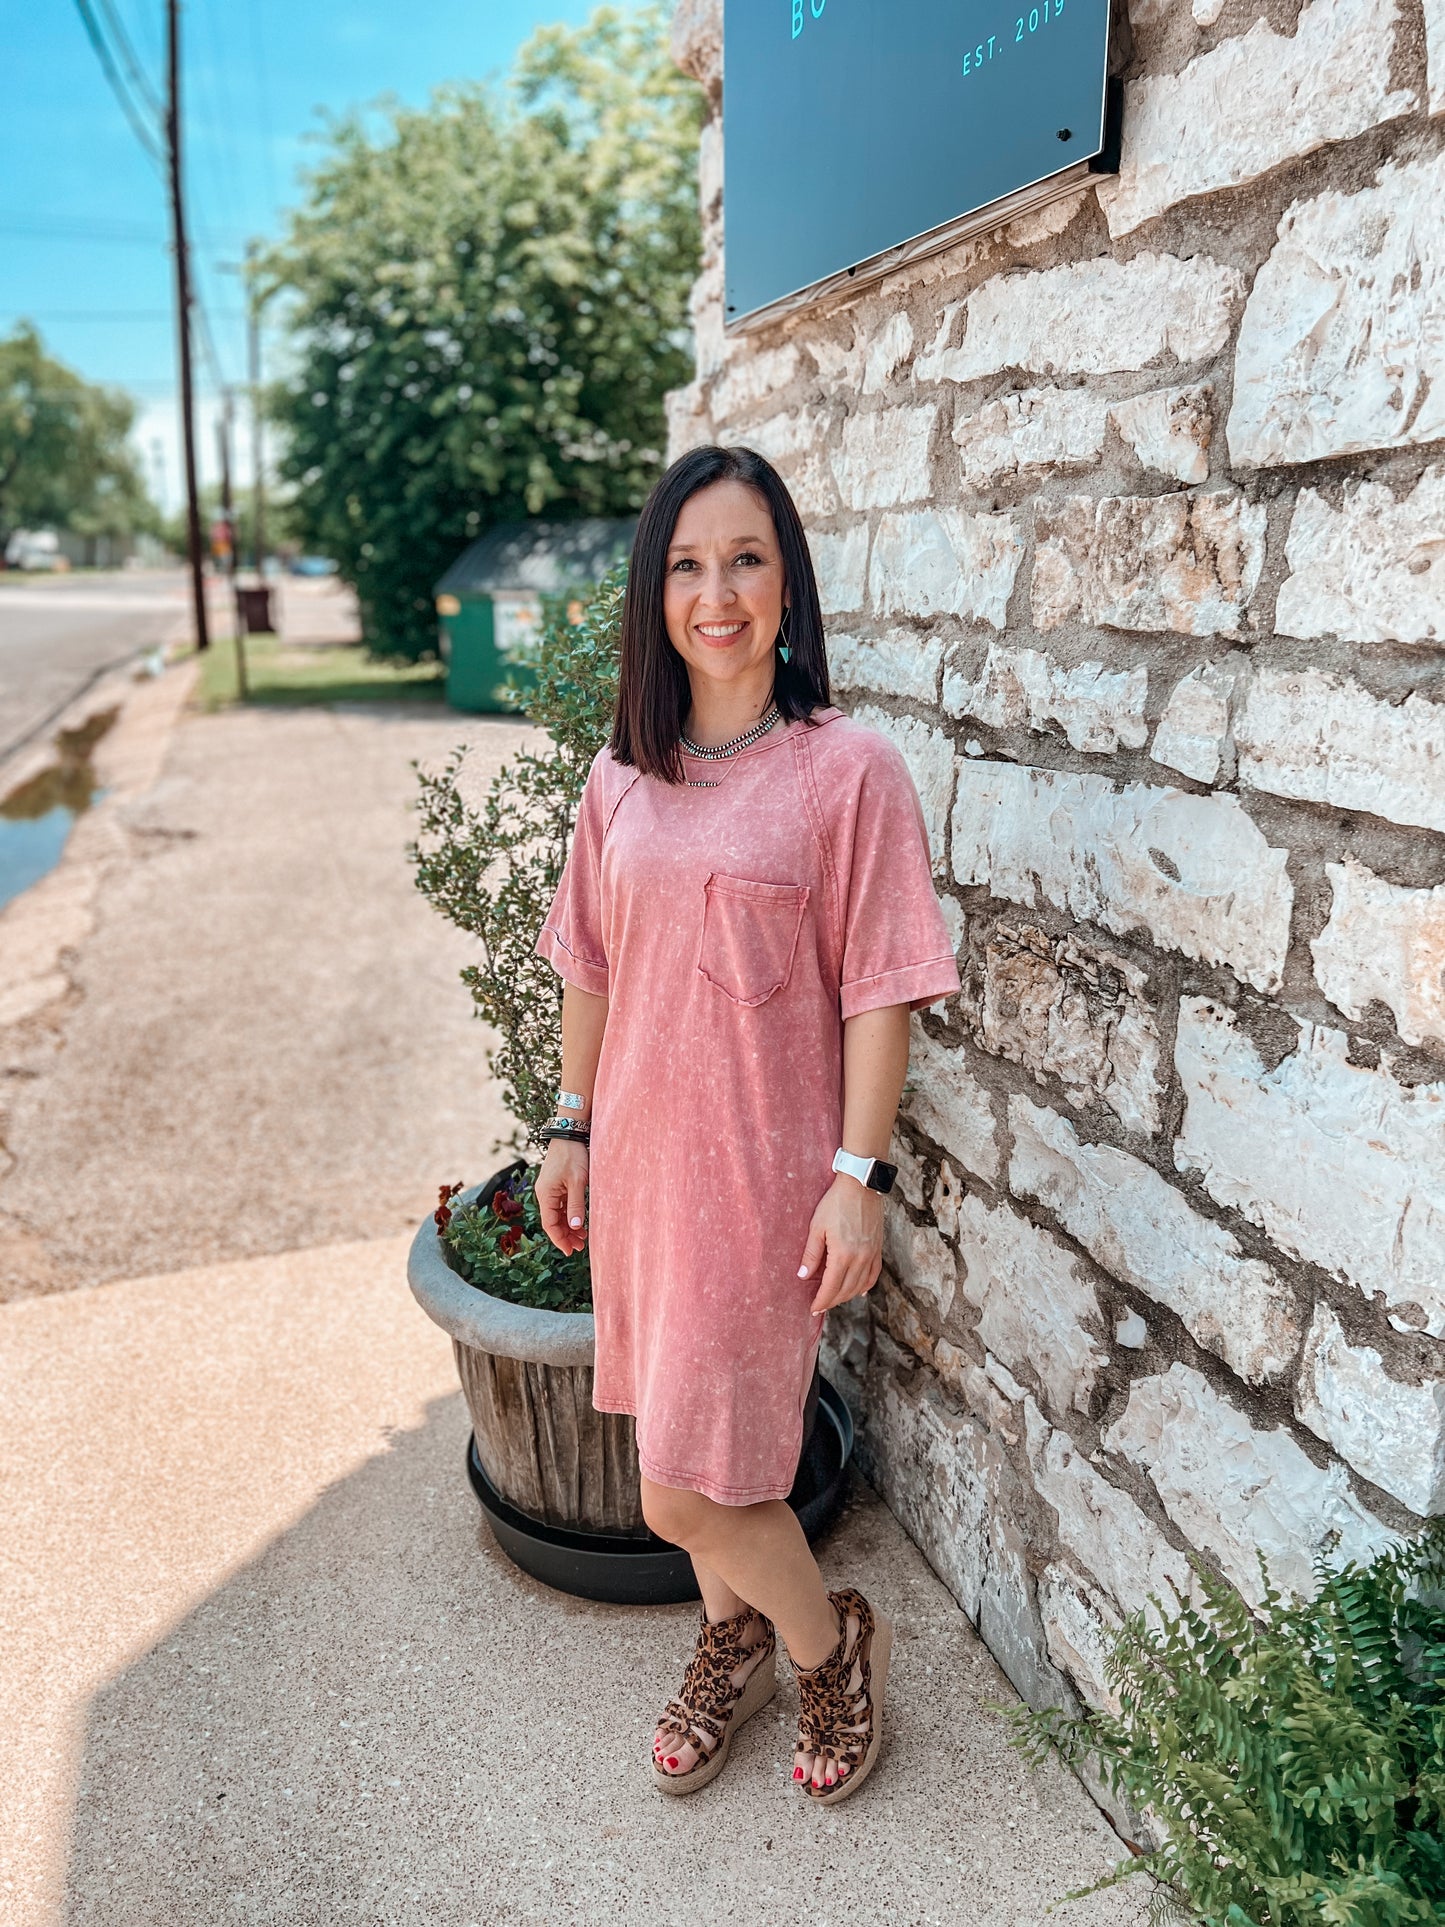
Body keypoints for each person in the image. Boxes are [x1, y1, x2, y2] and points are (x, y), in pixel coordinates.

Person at [533, 444, 961, 1804]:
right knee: (682, 1440)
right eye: (686, 564)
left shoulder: (849, 774)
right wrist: (567, 1124)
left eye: (745, 559)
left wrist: (857, 1175)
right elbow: (589, 968)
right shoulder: (621, 781)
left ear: (787, 584)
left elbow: (883, 986)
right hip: (645, 1176)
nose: (715, 593)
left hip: (764, 1182)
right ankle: (731, 1636)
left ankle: (829, 1647)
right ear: (656, 593)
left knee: (678, 1486)